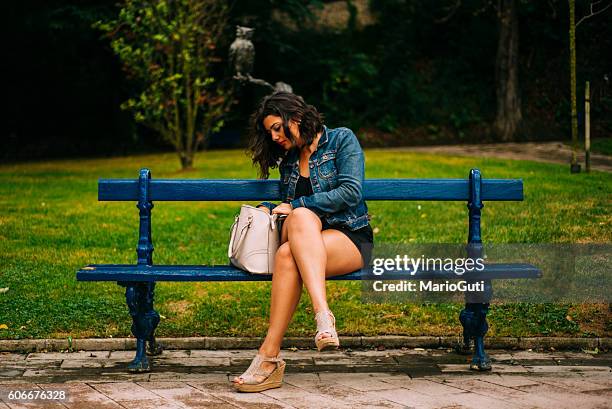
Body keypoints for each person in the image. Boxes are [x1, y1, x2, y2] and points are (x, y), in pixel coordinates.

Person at [232, 91, 373, 392]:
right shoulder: (290, 161)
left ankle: (268, 359)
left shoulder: (341, 140)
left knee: (287, 252)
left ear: (295, 118)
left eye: (276, 128)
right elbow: (290, 205)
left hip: (349, 237)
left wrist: (299, 205)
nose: (273, 137)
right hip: (305, 238)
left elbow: (351, 191)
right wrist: (271, 210)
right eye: (268, 132)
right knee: (299, 220)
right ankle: (322, 317)